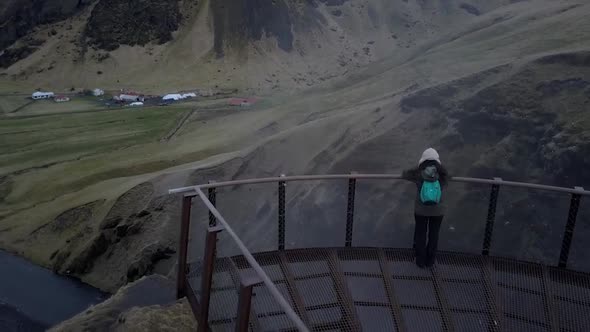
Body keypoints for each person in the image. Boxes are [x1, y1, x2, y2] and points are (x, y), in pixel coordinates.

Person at [402, 148, 448, 268]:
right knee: (434, 235)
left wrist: (417, 167)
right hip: (438, 211)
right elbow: (448, 179)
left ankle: (420, 261)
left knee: (421, 234)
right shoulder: (442, 174)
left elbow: (405, 174)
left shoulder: (418, 174)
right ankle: (430, 261)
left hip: (421, 210)